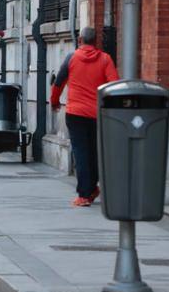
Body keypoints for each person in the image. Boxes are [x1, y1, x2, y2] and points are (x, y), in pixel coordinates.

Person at [51, 27, 119, 207]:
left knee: (81, 153)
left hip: (75, 113)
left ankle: (84, 195)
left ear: (80, 39)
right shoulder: (105, 59)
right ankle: (92, 188)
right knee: (95, 151)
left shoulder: (71, 58)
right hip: (97, 113)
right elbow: (114, 85)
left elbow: (58, 83)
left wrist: (54, 102)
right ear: (96, 41)